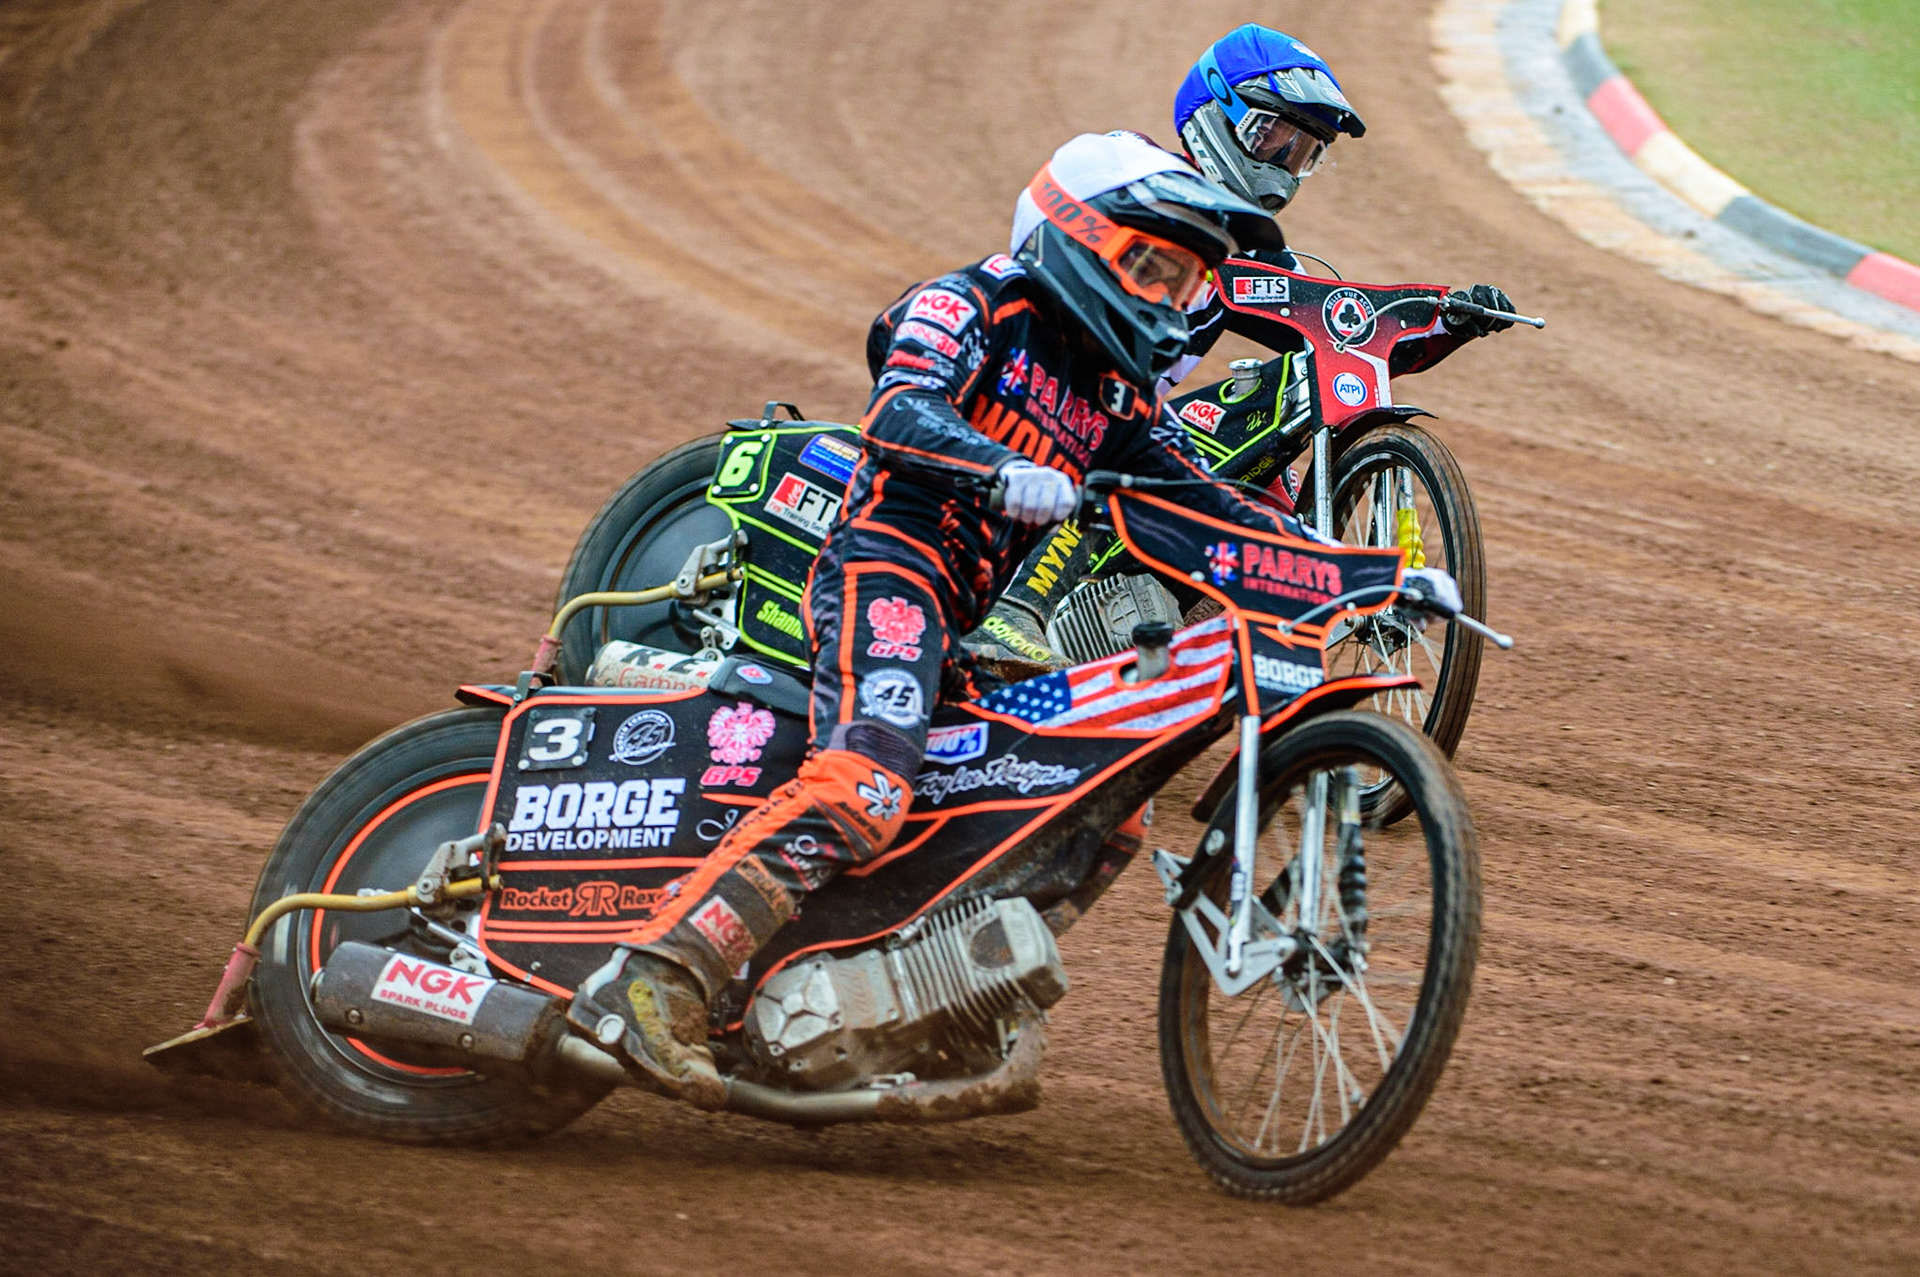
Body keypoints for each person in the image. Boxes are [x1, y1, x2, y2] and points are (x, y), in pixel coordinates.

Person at [566, 132, 1389, 1105]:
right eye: (1151, 268)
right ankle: (655, 974)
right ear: (1076, 232)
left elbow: (1205, 494)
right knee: (867, 780)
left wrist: (1353, 570)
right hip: (888, 564)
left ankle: (916, 985)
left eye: (1183, 284)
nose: (1169, 302)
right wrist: (1002, 469)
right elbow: (901, 408)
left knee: (1103, 798)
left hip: (959, 620)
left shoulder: (1112, 388)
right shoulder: (971, 302)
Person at [970, 24, 1518, 673]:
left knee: (1217, 415)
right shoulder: (1129, 169)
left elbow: (1341, 324)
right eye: (1273, 138)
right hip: (1014, 394)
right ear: (1213, 113)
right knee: (1117, 424)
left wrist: (1443, 317)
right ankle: (1013, 608)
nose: (1283, 166)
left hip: (1111, 422)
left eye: (1304, 152)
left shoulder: (1252, 245)